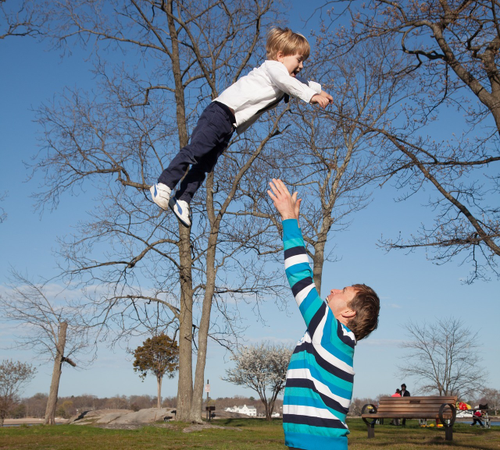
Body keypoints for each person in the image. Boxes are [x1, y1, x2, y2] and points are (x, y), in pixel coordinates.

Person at [150, 27, 333, 227]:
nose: (301, 66)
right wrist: (312, 96)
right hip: (220, 113)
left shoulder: (286, 75)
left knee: (206, 163)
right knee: (197, 150)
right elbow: (289, 83)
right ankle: (164, 184)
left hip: (230, 123)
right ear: (281, 55)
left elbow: (300, 82)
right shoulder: (274, 68)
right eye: (299, 59)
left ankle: (183, 198)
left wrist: (319, 90)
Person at [267, 179, 380, 450]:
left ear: (349, 312)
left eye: (342, 290)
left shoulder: (332, 333)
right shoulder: (332, 338)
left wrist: (288, 219)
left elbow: (299, 277)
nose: (332, 289)